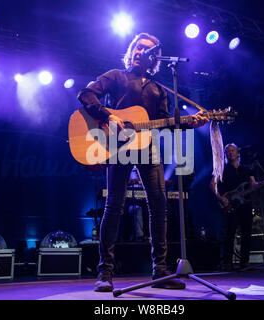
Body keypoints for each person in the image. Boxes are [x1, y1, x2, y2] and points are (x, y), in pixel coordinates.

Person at [77, 32, 208, 292]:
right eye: (138, 47)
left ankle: (160, 269)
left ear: (154, 57)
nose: (141, 51)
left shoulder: (160, 89)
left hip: (148, 147)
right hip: (118, 145)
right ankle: (105, 272)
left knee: (159, 205)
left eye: (147, 49)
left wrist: (191, 124)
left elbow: (166, 125)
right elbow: (86, 94)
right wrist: (108, 115)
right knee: (114, 205)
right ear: (132, 51)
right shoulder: (117, 76)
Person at [210, 143, 264, 271]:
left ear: (238, 153)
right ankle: (227, 262)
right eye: (228, 151)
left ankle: (244, 262)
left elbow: (253, 185)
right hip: (229, 204)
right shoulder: (221, 169)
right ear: (225, 154)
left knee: (247, 233)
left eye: (233, 151)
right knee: (230, 233)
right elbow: (212, 184)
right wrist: (220, 197)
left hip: (245, 204)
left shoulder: (246, 169)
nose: (231, 153)